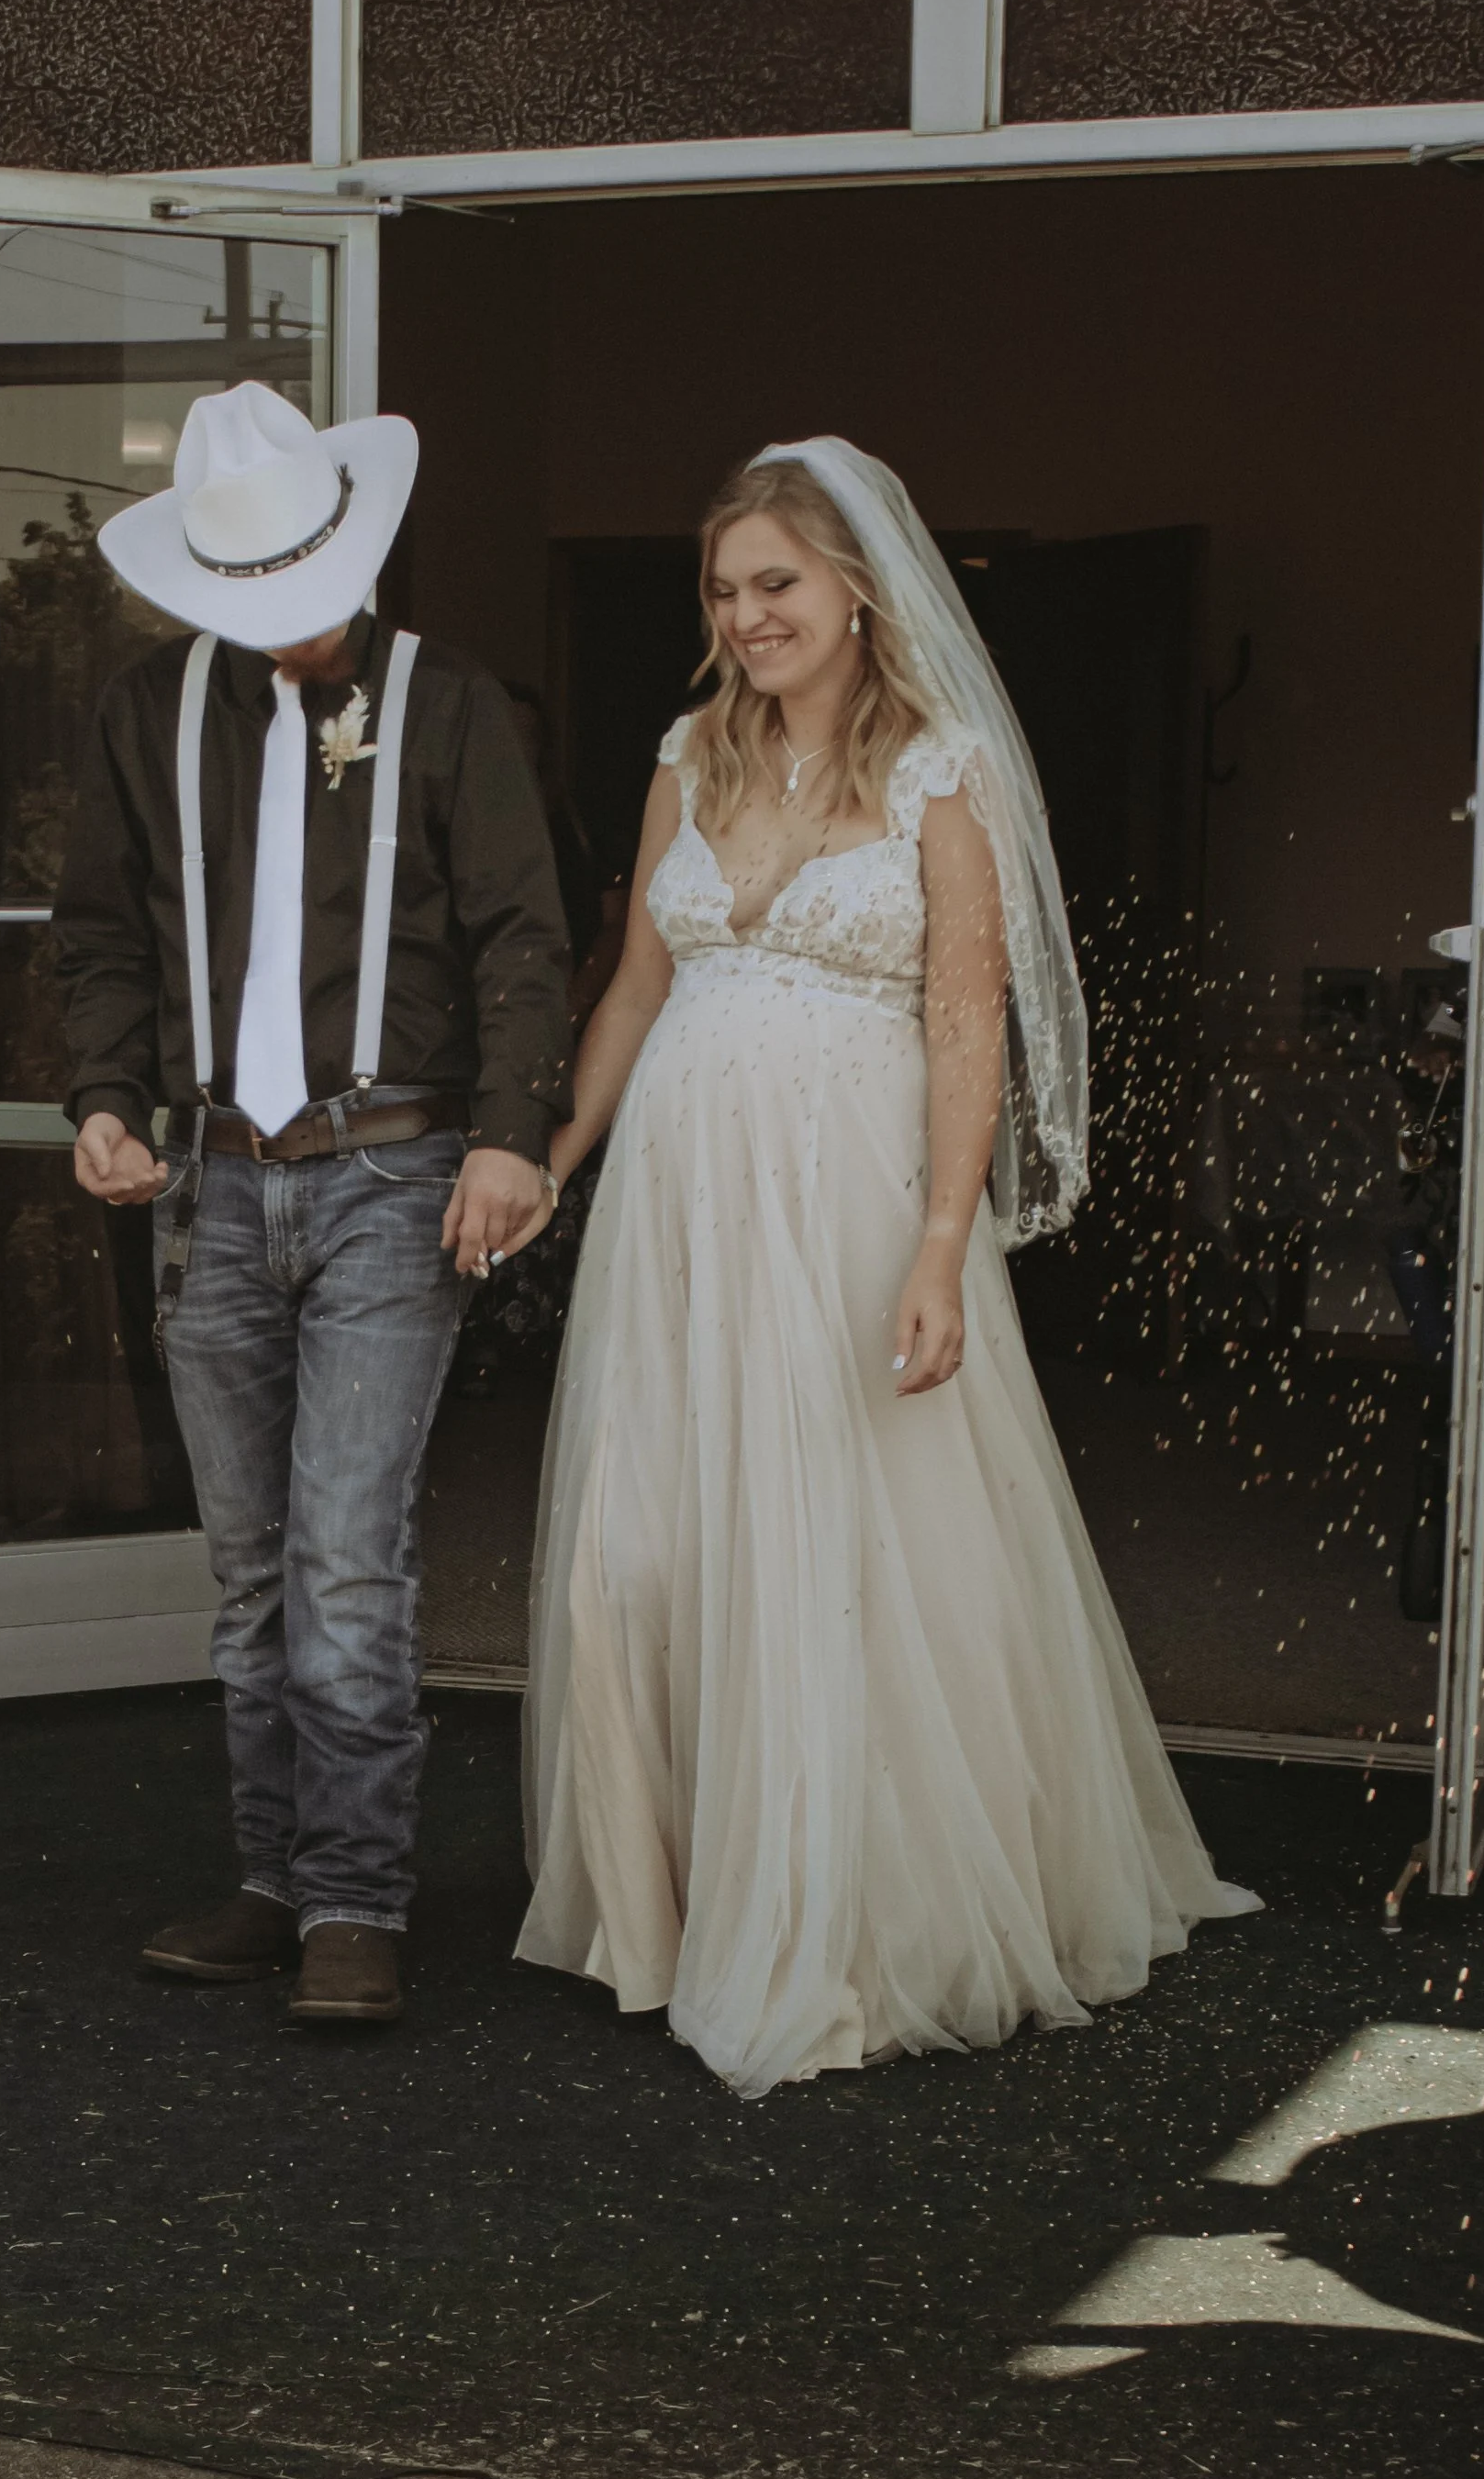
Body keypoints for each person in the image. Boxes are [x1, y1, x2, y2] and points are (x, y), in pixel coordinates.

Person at [517, 442, 1258, 2096]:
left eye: (776, 579)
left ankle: (859, 1911)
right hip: (680, 1209)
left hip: (850, 1201)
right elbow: (636, 980)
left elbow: (962, 1013)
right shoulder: (683, 757)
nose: (747, 612)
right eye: (723, 587)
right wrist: (560, 1149)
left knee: (850, 1548)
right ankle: (678, 1899)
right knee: (646, 1546)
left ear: (858, 586)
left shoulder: (943, 768)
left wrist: (941, 1237)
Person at [54, 381, 571, 2029]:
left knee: (349, 1553)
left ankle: (356, 1895)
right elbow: (104, 935)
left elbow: (521, 935)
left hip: (394, 1166)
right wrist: (105, 1097)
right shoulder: (149, 709)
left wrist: (512, 1133)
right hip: (207, 1178)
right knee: (245, 1561)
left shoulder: (455, 702)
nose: (289, 632)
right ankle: (271, 1877)